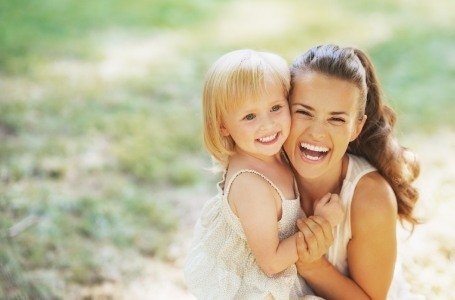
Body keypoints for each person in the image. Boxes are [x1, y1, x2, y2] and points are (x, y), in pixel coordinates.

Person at [184, 49, 344, 299]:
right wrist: (323, 222)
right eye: (249, 116)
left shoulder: (272, 153)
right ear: (223, 125)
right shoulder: (251, 185)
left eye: (276, 108)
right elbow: (271, 261)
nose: (267, 124)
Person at [284, 44, 422, 299]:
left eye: (336, 119)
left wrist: (313, 266)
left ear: (356, 128)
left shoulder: (371, 198)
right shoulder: (262, 172)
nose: (317, 132)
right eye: (303, 112)